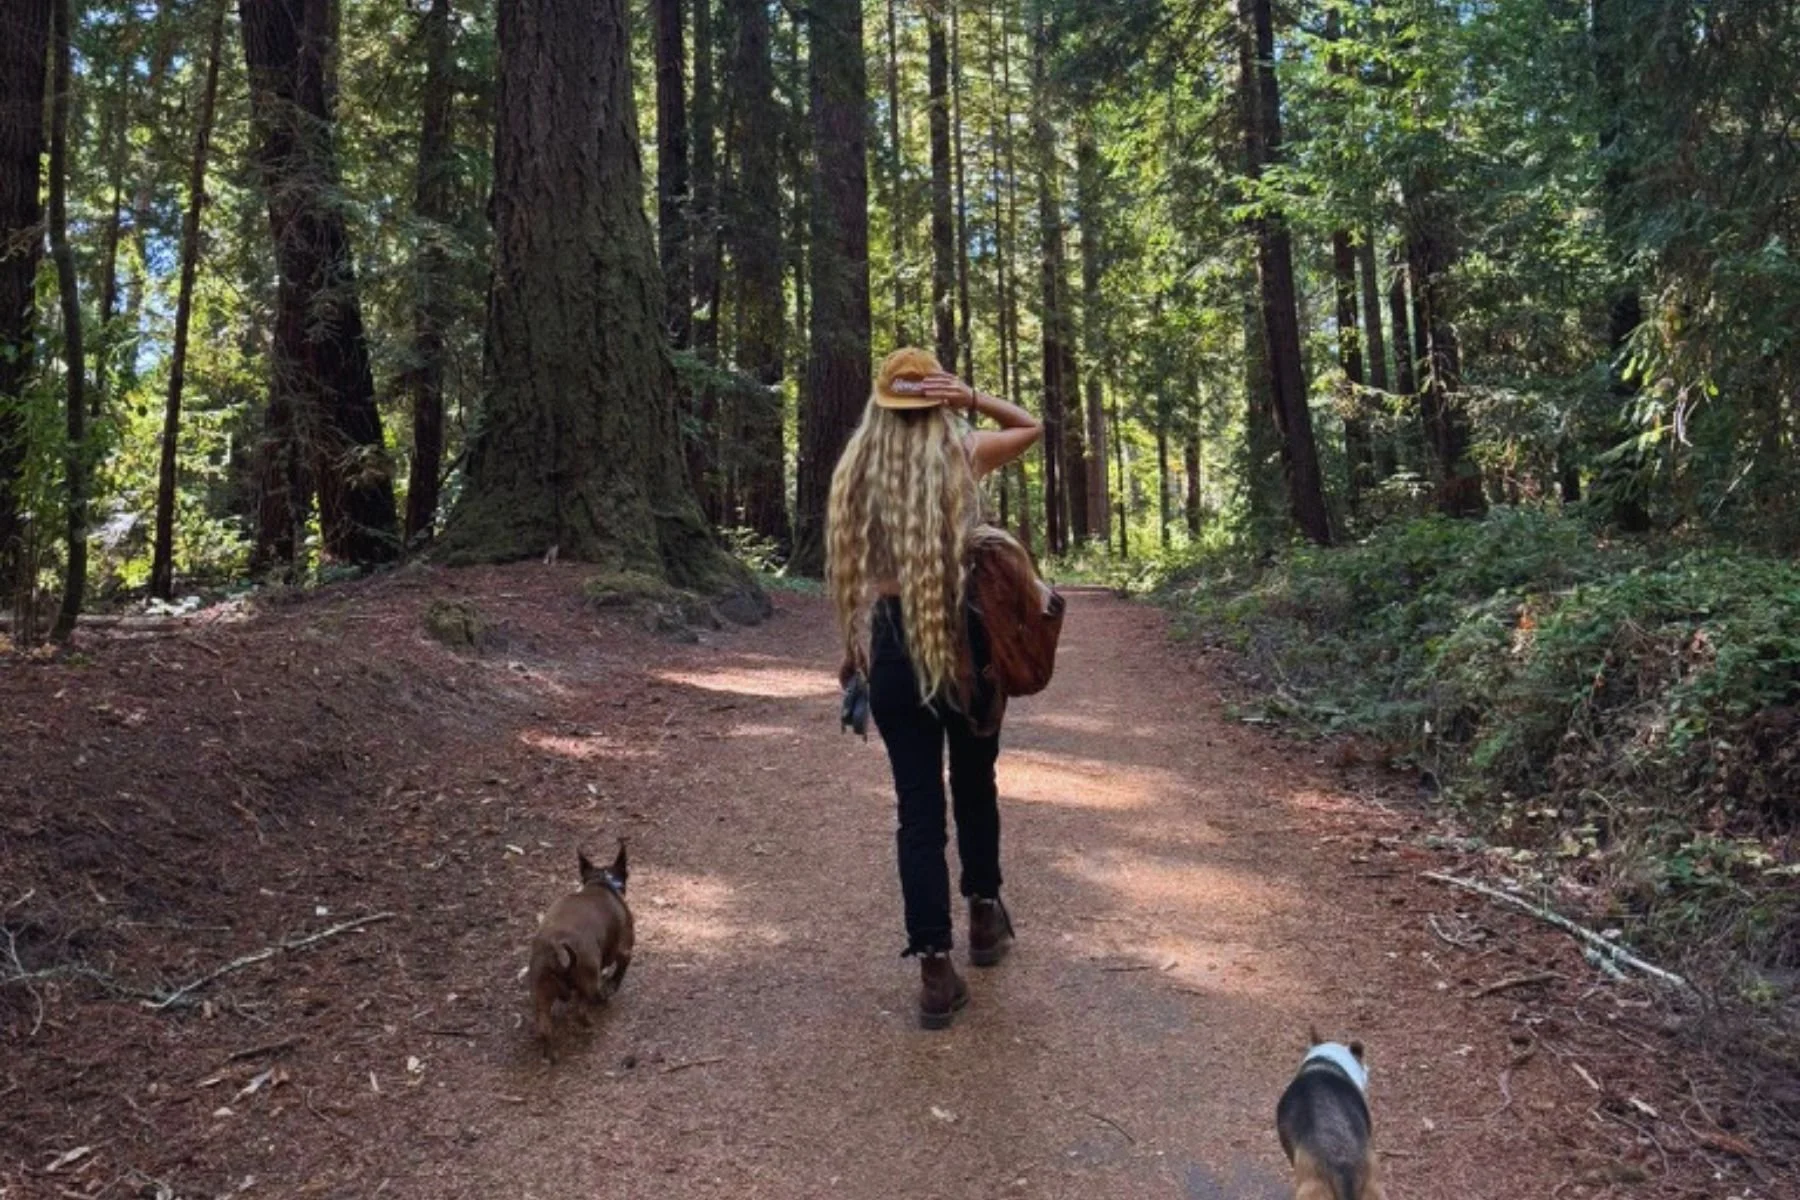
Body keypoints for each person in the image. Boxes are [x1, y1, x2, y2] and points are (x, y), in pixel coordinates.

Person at [826, 347, 1043, 1029]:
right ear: (936, 401)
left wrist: (852, 652)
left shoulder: (857, 472)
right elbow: (1032, 427)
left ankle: (934, 974)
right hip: (967, 644)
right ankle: (983, 919)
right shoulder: (962, 451)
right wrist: (972, 399)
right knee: (975, 786)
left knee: (918, 816)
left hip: (892, 647)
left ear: (883, 404)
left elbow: (853, 576)